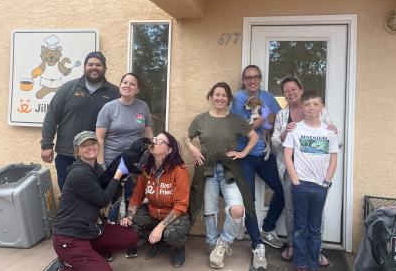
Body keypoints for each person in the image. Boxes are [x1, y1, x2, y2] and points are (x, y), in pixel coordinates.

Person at [186, 82, 258, 269]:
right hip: (207, 169)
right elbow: (187, 136)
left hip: (229, 169)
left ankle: (222, 243)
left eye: (224, 95)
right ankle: (211, 243)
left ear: (228, 99)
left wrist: (243, 153)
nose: (220, 98)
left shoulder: (235, 120)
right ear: (211, 97)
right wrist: (193, 148)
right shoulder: (200, 119)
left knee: (237, 210)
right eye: (217, 94)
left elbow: (254, 137)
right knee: (209, 211)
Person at [50, 131, 139, 271]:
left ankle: (87, 256)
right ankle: (64, 267)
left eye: (93, 143)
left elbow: (109, 192)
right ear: (77, 151)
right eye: (85, 145)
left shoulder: (95, 168)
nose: (91, 147)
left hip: (89, 230)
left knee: (130, 237)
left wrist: (120, 183)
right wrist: (118, 175)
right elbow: (103, 200)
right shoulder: (79, 173)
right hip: (69, 238)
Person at [271, 77, 335, 266]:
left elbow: (335, 143)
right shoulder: (283, 115)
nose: (290, 93)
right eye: (286, 91)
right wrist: (284, 133)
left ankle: (316, 251)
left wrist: (334, 131)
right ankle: (293, 245)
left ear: (301, 89)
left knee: (317, 214)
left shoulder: (320, 112)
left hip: (317, 173)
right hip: (291, 171)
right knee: (291, 210)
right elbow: (275, 143)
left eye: (293, 89)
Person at [230, 65, 285, 270]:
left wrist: (265, 122)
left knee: (282, 191)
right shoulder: (236, 100)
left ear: (260, 79)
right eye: (248, 77)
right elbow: (241, 129)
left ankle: (268, 228)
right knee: (249, 200)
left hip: (264, 154)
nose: (252, 80)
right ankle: (256, 244)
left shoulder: (268, 96)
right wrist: (262, 120)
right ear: (243, 80)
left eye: (255, 77)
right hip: (244, 156)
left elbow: (276, 119)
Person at [40, 51, 119, 190]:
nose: (94, 67)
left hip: (98, 157)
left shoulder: (114, 93)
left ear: (105, 69)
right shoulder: (68, 88)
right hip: (68, 154)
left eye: (98, 65)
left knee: (95, 197)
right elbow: (52, 116)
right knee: (68, 194)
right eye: (91, 64)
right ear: (84, 67)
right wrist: (46, 145)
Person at [120, 132, 190, 268]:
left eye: (159, 141)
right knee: (129, 226)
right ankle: (158, 241)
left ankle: (178, 248)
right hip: (152, 212)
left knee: (173, 235)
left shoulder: (179, 170)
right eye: (154, 139)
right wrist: (129, 216)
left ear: (169, 149)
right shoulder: (146, 170)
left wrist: (160, 227)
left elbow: (181, 205)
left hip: (175, 214)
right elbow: (137, 196)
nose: (154, 142)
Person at [96, 73, 153, 222]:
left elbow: (148, 132)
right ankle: (110, 232)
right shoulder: (109, 107)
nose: (127, 86)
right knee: (113, 200)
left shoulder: (143, 106)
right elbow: (99, 137)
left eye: (132, 84)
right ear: (120, 85)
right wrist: (102, 164)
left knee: (132, 197)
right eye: (125, 82)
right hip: (113, 162)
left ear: (138, 89)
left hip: (136, 163)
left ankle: (128, 233)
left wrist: (151, 155)